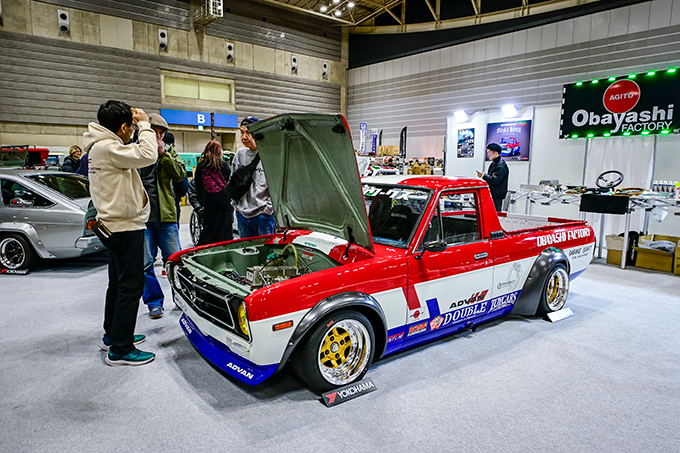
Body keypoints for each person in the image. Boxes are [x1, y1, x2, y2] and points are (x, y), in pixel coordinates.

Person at [83, 100, 157, 366]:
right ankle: (121, 350)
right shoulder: (109, 148)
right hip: (124, 228)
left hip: (113, 226)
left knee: (117, 284)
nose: (132, 132)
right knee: (131, 287)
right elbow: (148, 155)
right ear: (123, 127)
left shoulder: (98, 147)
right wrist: (145, 125)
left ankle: (113, 335)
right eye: (131, 128)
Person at [138, 113, 186, 319]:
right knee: (145, 264)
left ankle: (181, 298)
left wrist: (163, 154)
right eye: (154, 132)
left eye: (161, 133)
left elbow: (180, 175)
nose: (158, 137)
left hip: (167, 217)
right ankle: (154, 303)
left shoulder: (169, 152)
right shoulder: (136, 151)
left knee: (176, 261)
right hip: (144, 218)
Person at [230, 116, 276, 238]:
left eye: (248, 133)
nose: (244, 137)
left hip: (263, 217)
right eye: (242, 132)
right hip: (242, 215)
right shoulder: (240, 155)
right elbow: (232, 182)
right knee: (247, 249)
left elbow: (277, 186)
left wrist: (268, 210)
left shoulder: (270, 156)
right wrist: (236, 207)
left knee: (266, 249)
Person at [194, 140, 233, 245]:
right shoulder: (224, 166)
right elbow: (230, 183)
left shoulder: (201, 166)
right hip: (225, 204)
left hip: (209, 204)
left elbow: (198, 185)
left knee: (209, 233)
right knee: (225, 235)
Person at [477, 143, 509, 212]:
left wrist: (483, 176)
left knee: (495, 213)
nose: (488, 154)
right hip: (492, 193)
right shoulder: (494, 163)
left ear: (496, 153)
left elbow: (494, 180)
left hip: (497, 195)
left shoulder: (500, 165)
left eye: (489, 152)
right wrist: (485, 176)